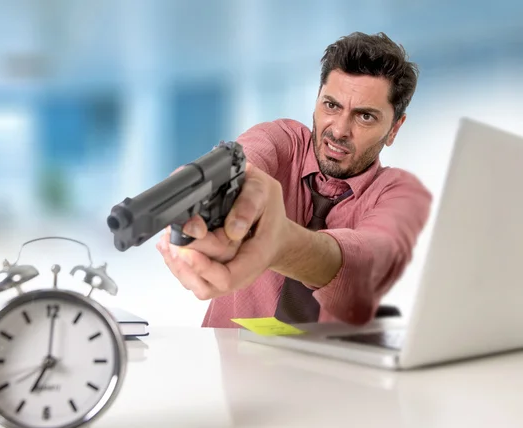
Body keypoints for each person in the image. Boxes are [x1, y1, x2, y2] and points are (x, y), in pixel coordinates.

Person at [156, 31, 432, 328]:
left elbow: (360, 262)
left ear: (394, 129)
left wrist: (278, 244)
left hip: (328, 370)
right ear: (316, 99)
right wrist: (221, 186)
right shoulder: (283, 140)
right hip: (226, 365)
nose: (339, 130)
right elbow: (249, 157)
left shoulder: (395, 194)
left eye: (365, 117)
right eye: (331, 105)